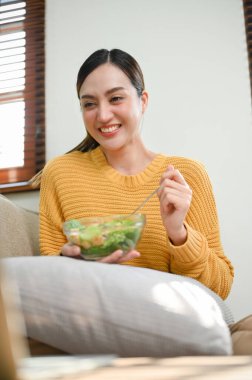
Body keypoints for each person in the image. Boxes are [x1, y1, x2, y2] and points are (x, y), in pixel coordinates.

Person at [32, 48, 234, 300]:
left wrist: (179, 233)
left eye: (116, 98)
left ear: (143, 100)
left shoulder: (185, 175)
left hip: (171, 322)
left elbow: (221, 288)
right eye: (89, 104)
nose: (103, 115)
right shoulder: (60, 173)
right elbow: (46, 285)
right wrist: (69, 263)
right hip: (89, 320)